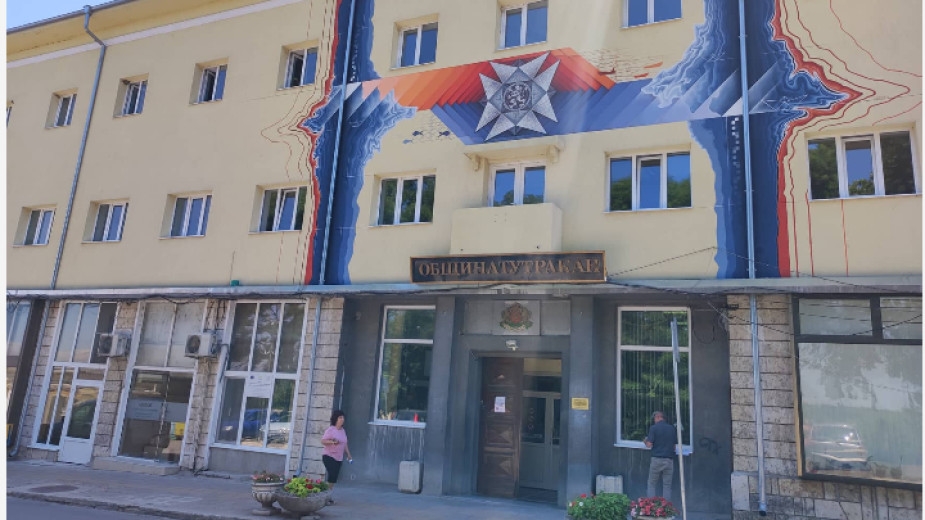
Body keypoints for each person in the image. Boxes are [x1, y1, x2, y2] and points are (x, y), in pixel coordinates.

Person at [321, 410, 352, 505]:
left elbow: (344, 444)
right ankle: (325, 497)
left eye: (343, 417)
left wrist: (349, 455)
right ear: (336, 419)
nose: (342, 419)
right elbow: (323, 441)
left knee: (333, 479)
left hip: (339, 458)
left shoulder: (343, 431)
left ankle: (327, 496)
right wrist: (332, 442)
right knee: (332, 475)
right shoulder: (331, 430)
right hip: (329, 456)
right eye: (340, 417)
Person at [644, 411, 676, 499]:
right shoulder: (672, 428)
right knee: (667, 485)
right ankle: (666, 506)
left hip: (656, 459)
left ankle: (650, 504)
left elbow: (649, 445)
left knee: (652, 483)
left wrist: (645, 441)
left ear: (658, 417)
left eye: (654, 418)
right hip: (669, 460)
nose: (654, 421)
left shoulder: (653, 428)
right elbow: (674, 447)